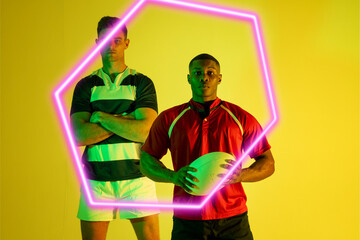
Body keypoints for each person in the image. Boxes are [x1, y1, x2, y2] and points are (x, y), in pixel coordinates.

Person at [140, 53, 275, 240]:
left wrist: (241, 175)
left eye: (210, 73)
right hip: (187, 220)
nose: (204, 77)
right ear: (188, 78)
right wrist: (173, 176)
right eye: (197, 72)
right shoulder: (169, 119)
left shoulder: (240, 117)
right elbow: (146, 161)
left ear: (219, 78)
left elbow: (268, 162)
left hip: (233, 219)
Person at [70, 16, 159, 240]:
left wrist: (100, 118)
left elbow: (145, 131)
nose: (112, 46)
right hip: (95, 181)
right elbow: (78, 136)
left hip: (138, 178)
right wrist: (125, 120)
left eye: (117, 40)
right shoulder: (85, 85)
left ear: (126, 43)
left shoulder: (141, 82)